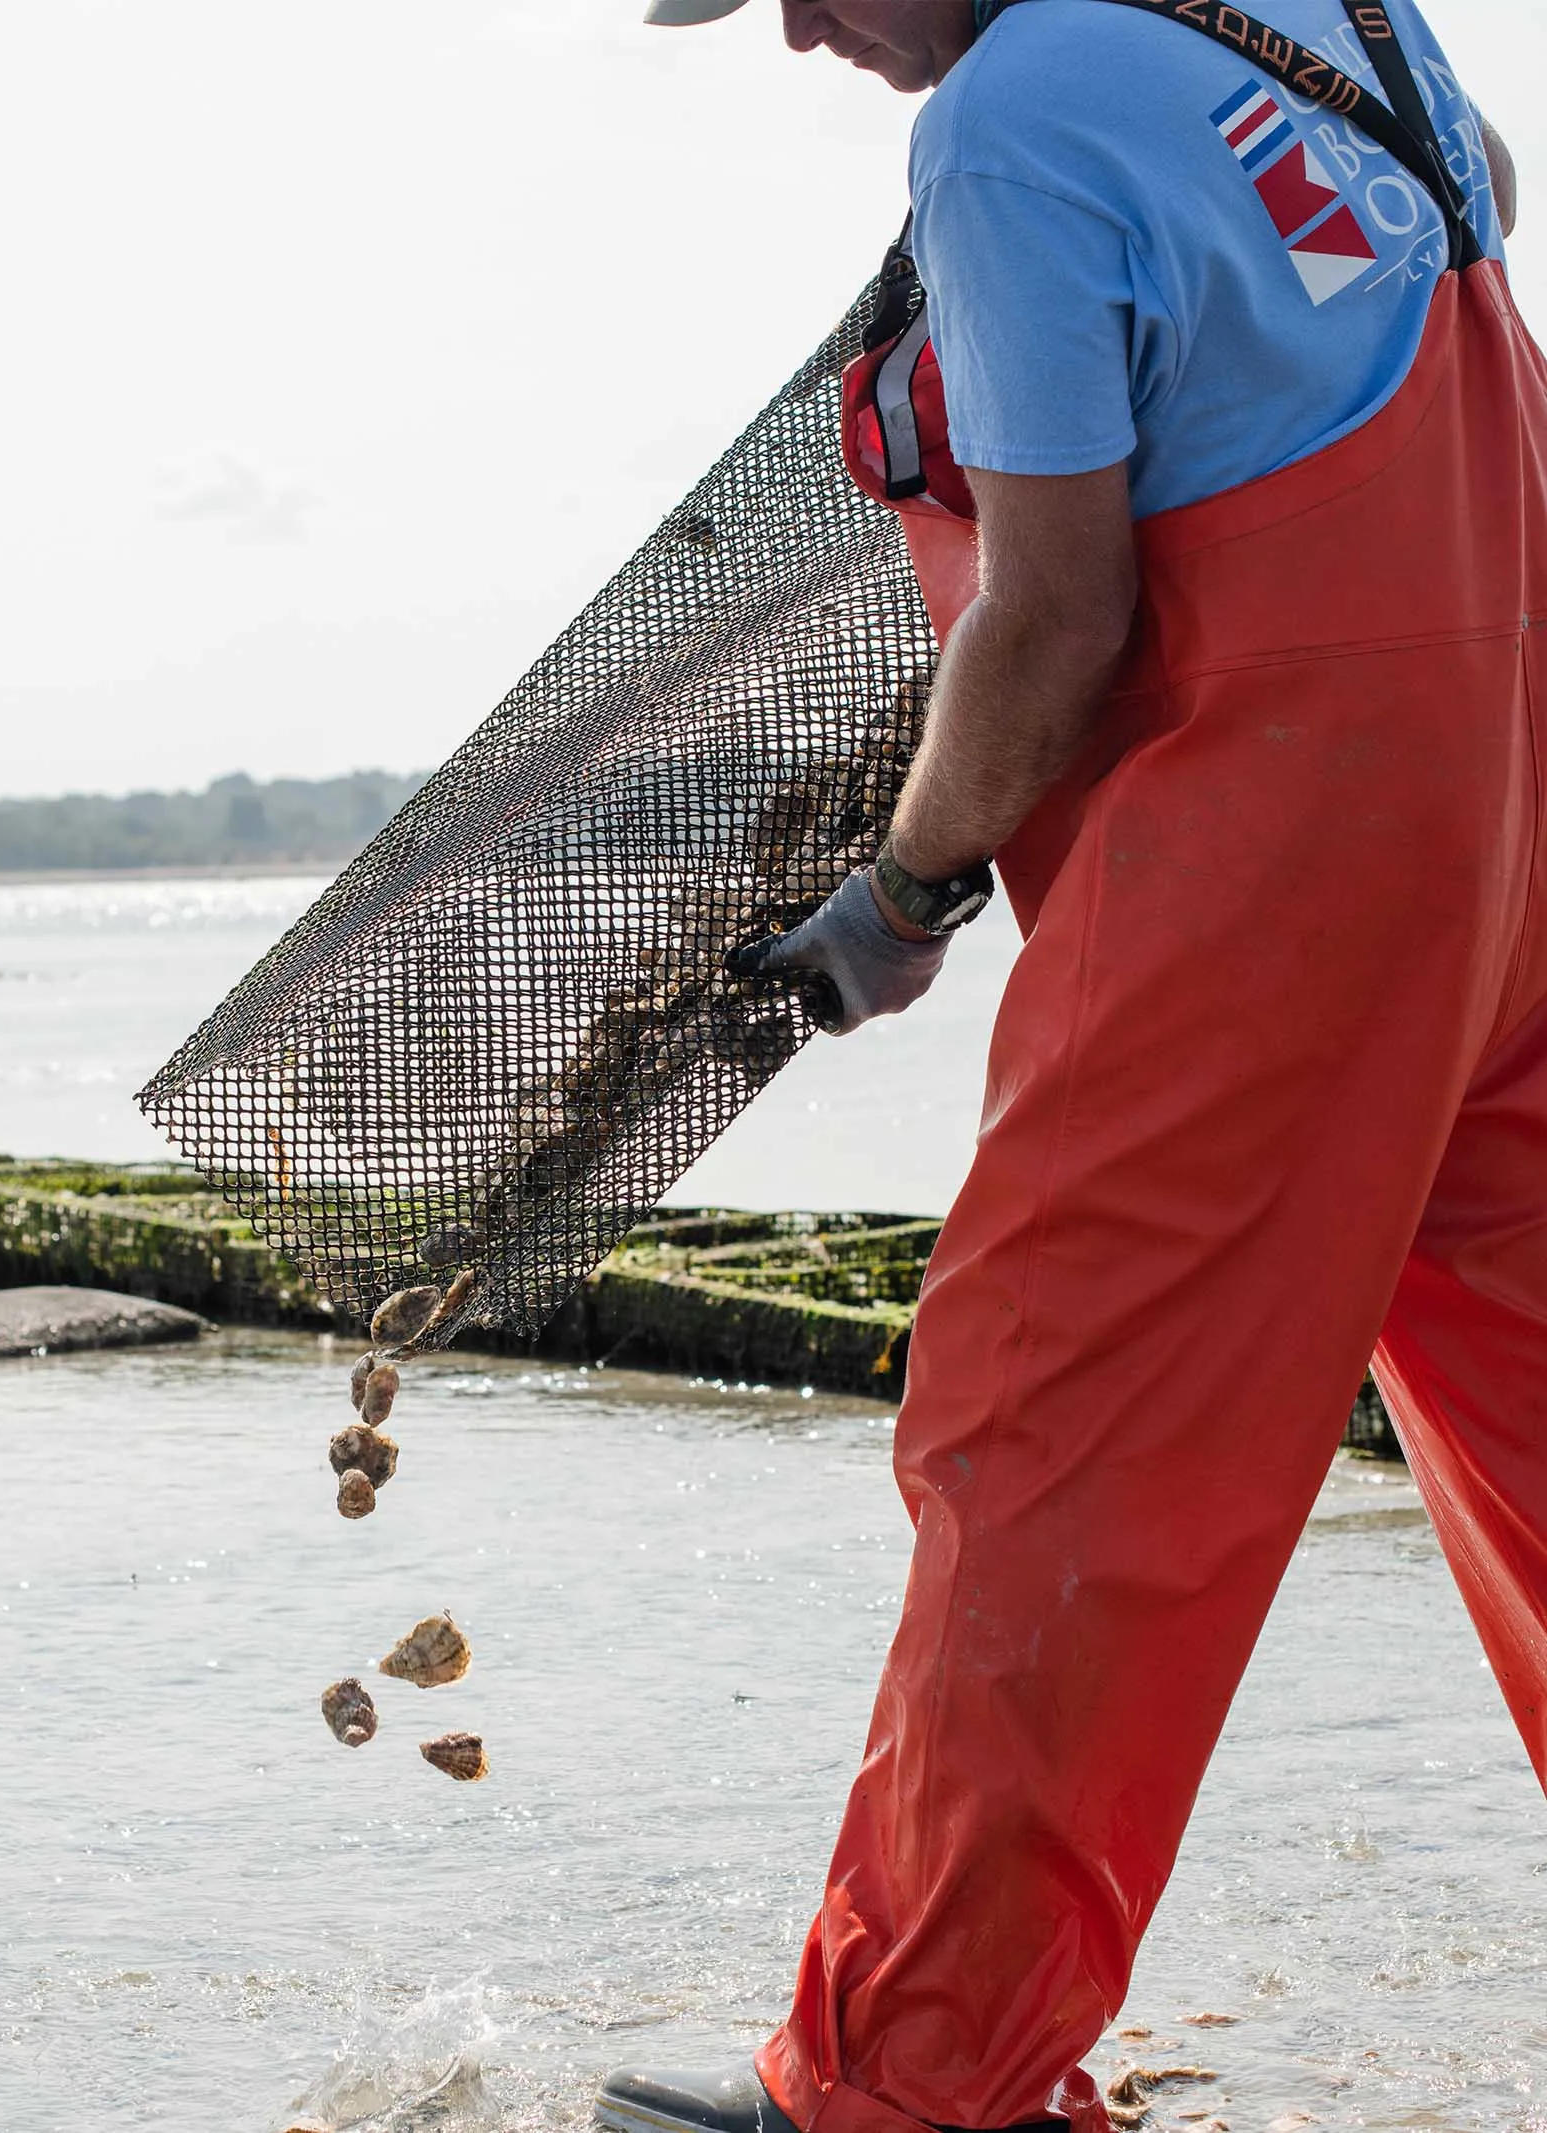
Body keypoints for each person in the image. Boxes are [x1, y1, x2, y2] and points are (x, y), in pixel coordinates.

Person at [593, 3, 1543, 2131]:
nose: (810, 33)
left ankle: (916, 2081)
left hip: (1270, 873)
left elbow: (1055, 615)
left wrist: (906, 898)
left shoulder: (1013, 124)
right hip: (1513, 828)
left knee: (1054, 1436)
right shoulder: (1340, 10)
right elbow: (1467, 195)